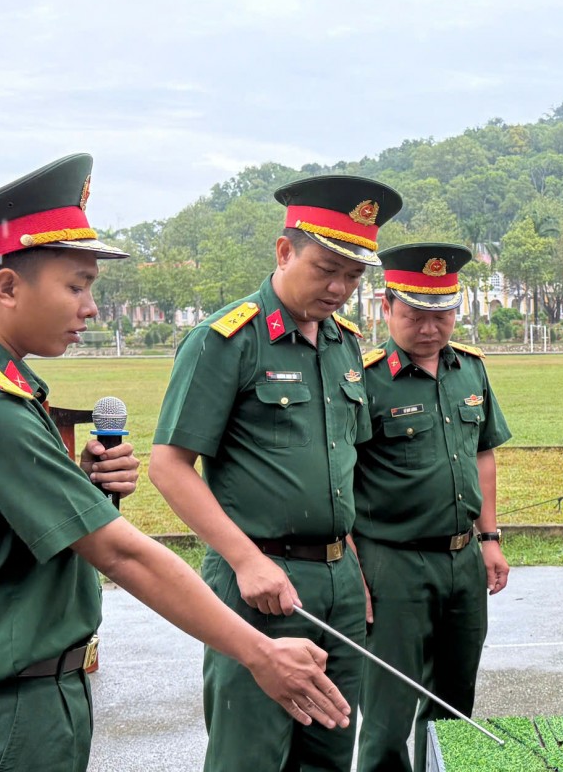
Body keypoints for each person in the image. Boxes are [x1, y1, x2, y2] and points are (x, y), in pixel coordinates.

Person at [0, 154, 348, 772]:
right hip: (0, 722)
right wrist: (258, 652)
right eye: (76, 286)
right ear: (6, 286)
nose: (89, 308)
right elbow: (123, 554)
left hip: (18, 705)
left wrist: (81, 486)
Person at [150, 174, 401, 772]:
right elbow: (169, 466)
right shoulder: (226, 340)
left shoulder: (345, 345)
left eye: (355, 275)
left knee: (329, 748)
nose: (340, 288)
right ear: (285, 251)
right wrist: (244, 560)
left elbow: (344, 470)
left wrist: (355, 569)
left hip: (339, 583)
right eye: (325, 269)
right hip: (259, 582)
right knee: (252, 755)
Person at [352, 242, 511, 772]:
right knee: (388, 709)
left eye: (442, 314)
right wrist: (354, 566)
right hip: (392, 561)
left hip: (463, 559)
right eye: (416, 314)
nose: (430, 328)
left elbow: (483, 453)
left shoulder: (470, 370)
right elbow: (336, 478)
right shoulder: (362, 379)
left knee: (454, 702)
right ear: (386, 308)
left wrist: (489, 540)